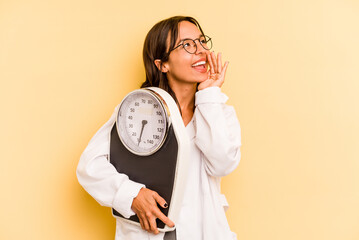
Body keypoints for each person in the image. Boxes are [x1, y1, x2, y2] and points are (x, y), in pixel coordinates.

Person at [77, 16, 242, 240]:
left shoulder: (218, 111)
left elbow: (221, 164)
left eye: (202, 42)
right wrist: (131, 195)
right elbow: (89, 167)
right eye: (187, 45)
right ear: (162, 64)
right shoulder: (137, 110)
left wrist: (209, 95)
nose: (201, 51)